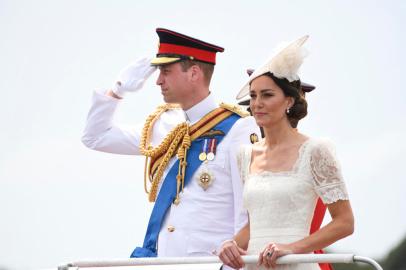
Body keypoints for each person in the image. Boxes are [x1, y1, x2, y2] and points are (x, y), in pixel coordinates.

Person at [81, 28, 260, 258]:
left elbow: (246, 210)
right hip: (166, 260)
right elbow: (95, 137)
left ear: (194, 73)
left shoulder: (238, 128)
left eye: (165, 71)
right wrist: (118, 89)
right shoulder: (164, 124)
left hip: (210, 262)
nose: (158, 81)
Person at [218, 36, 354, 270]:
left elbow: (345, 222)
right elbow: (256, 225)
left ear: (288, 101)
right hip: (255, 265)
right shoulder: (244, 155)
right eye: (252, 96)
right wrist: (229, 245)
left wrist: (292, 248)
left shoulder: (315, 150)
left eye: (267, 95)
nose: (257, 103)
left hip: (296, 264)